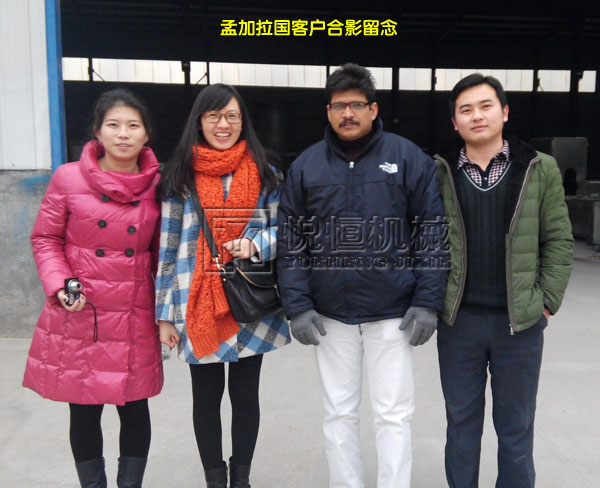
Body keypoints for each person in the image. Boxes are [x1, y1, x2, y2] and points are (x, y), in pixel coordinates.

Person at [277, 63, 448, 488]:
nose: (347, 113)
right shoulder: (307, 166)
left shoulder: (407, 158)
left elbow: (431, 231)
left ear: (373, 109)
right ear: (328, 111)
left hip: (393, 312)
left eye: (356, 104)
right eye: (339, 106)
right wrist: (298, 306)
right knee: (338, 412)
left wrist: (427, 301)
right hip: (329, 313)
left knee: (393, 414)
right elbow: (291, 240)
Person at [433, 73, 574, 488]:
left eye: (486, 106)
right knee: (461, 423)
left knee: (516, 425)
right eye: (466, 110)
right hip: (459, 322)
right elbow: (423, 239)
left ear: (505, 112)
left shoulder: (539, 168)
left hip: (521, 324)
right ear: (455, 122)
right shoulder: (438, 171)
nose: (477, 116)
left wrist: (546, 301)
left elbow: (559, 239)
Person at [23, 88, 163, 488]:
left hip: (134, 311)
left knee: (135, 406)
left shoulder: (161, 185)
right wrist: (60, 284)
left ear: (147, 133)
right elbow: (46, 238)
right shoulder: (68, 178)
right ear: (98, 132)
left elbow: (164, 252)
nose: (123, 134)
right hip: (82, 310)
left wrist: (169, 309)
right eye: (113, 125)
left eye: (133, 125)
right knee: (84, 409)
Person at [155, 83, 290, 488]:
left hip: (248, 297)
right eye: (214, 116)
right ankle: (215, 479)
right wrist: (163, 314)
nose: (223, 124)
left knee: (246, 396)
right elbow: (168, 246)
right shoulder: (180, 175)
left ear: (243, 121)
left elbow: (284, 228)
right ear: (199, 121)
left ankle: (240, 479)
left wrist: (256, 243)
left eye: (232, 116)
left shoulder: (266, 172)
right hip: (195, 299)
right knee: (206, 397)